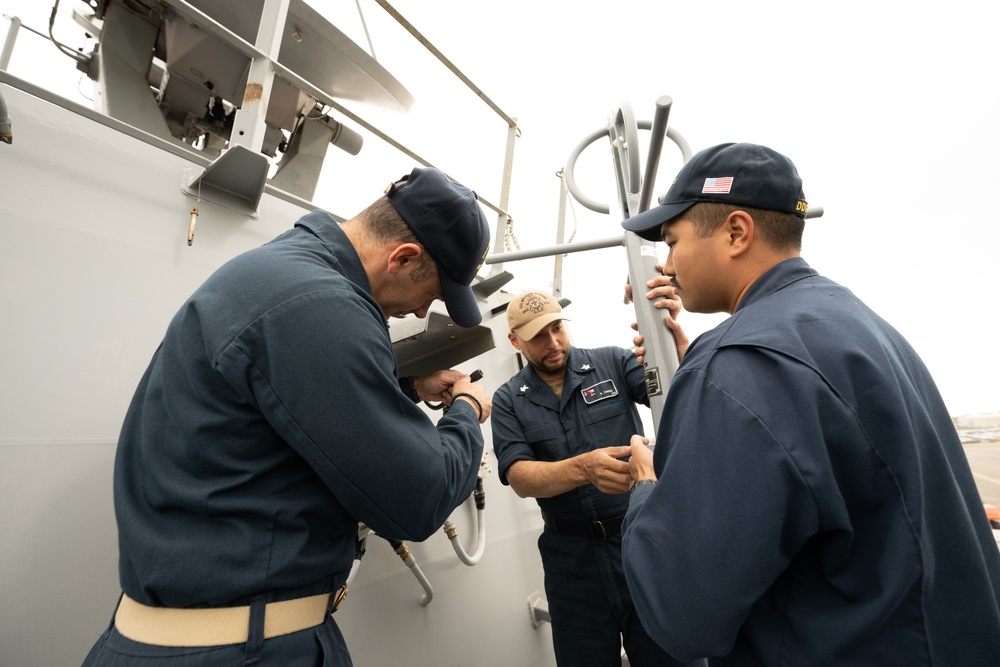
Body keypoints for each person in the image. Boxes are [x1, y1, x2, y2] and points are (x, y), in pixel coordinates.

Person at [82, 167, 494, 666]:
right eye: (432, 293)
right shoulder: (322, 304)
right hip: (244, 650)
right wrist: (467, 413)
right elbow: (420, 498)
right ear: (402, 257)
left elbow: (275, 406)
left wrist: (407, 385)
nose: (419, 311)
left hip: (174, 640)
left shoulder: (280, 271)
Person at [619, 142, 1000, 665]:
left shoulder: (737, 365)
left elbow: (681, 615)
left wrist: (646, 488)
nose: (667, 264)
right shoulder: (856, 324)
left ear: (735, 232)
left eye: (672, 240)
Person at [490, 289, 699, 667]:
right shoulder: (508, 400)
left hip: (640, 541)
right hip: (570, 564)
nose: (553, 342)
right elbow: (519, 477)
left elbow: (674, 391)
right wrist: (583, 468)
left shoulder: (614, 363)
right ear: (514, 341)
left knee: (674, 655)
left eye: (557, 328)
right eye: (538, 335)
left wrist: (670, 342)